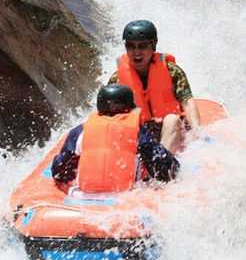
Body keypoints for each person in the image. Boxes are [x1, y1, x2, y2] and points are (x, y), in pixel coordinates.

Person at [51, 85, 180, 192]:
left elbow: (60, 170)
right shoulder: (137, 131)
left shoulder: (80, 130)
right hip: (124, 198)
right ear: (129, 107)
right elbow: (166, 167)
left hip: (84, 197)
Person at [107, 20, 201, 154]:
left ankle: (163, 164)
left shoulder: (172, 71)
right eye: (131, 46)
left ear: (153, 45)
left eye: (142, 46)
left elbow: (187, 100)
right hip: (140, 134)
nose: (136, 52)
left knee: (172, 120)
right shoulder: (117, 80)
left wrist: (197, 131)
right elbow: (107, 116)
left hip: (170, 130)